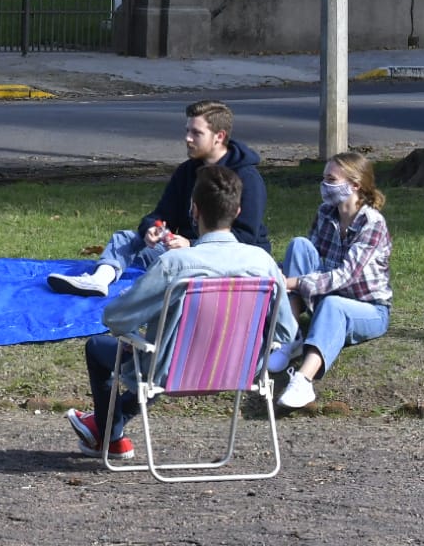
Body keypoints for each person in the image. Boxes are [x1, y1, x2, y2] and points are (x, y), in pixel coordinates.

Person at [66, 165, 296, 458]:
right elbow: (287, 331)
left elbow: (115, 318)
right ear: (237, 212)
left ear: (195, 211)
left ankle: (109, 435)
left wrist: (137, 323)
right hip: (241, 370)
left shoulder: (176, 264)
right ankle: (107, 431)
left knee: (98, 347)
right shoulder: (263, 264)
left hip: (172, 371)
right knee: (152, 353)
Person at [48, 99, 271, 296]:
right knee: (125, 238)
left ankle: (152, 292)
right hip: (185, 252)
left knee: (173, 268)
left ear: (219, 137)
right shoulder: (187, 171)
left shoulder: (246, 178)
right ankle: (99, 280)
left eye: (196, 133)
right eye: (187, 131)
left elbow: (247, 239)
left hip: (229, 261)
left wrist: (192, 245)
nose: (187, 138)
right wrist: (152, 230)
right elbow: (161, 214)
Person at [275, 152, 392, 410]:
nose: (324, 185)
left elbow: (345, 276)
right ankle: (290, 338)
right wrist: (276, 274)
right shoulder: (326, 212)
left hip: (369, 307)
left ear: (355, 185)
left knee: (334, 306)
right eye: (324, 178)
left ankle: (303, 381)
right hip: (327, 294)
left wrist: (292, 283)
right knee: (299, 246)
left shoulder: (372, 224)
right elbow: (309, 258)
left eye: (331, 179)